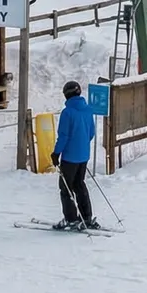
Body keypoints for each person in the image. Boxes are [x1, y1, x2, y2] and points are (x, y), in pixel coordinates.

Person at [50, 80, 98, 230]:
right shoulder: (88, 110)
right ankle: (87, 217)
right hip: (84, 155)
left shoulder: (67, 113)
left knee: (65, 188)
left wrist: (56, 153)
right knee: (80, 184)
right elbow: (91, 133)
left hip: (70, 157)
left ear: (67, 95)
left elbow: (63, 136)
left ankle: (71, 219)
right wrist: (82, 145)